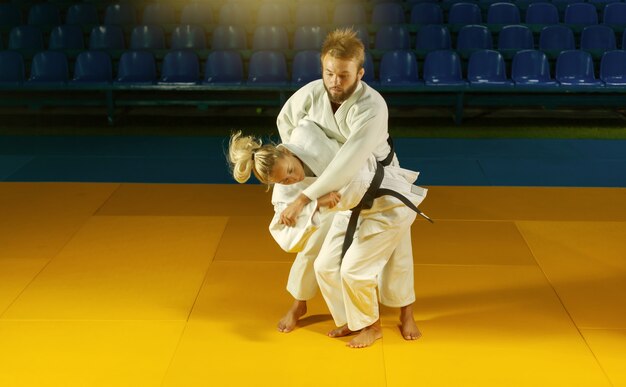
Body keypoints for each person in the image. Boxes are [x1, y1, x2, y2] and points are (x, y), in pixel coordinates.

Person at [274, 28, 423, 347]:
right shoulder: (312, 93)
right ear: (322, 68)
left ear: (360, 73)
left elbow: (350, 161)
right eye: (329, 73)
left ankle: (405, 313)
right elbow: (286, 122)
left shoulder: (372, 107)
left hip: (378, 178)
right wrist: (303, 155)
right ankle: (327, 311)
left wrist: (303, 197)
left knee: (396, 249)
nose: (334, 82)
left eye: (343, 75)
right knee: (317, 246)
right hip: (324, 174)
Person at [228, 120, 428, 345]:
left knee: (396, 252)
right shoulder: (283, 187)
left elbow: (350, 146)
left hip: (377, 187)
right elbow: (285, 231)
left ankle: (405, 314)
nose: (293, 179)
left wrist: (306, 202)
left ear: (285, 150)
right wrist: (313, 205)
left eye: (292, 171)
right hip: (336, 207)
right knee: (318, 260)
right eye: (284, 180)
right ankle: (351, 319)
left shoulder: (309, 135)